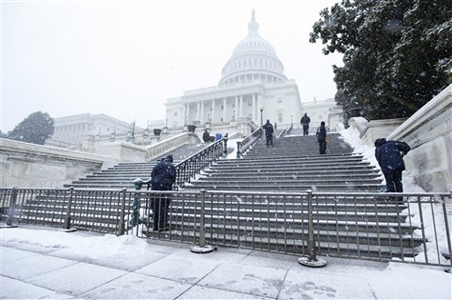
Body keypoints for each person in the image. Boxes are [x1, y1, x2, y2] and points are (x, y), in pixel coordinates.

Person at [150, 154, 176, 231]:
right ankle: (162, 225)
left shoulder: (157, 165)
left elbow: (152, 175)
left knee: (156, 207)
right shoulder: (171, 166)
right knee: (164, 207)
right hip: (165, 189)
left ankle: (155, 225)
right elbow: (173, 178)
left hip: (155, 189)